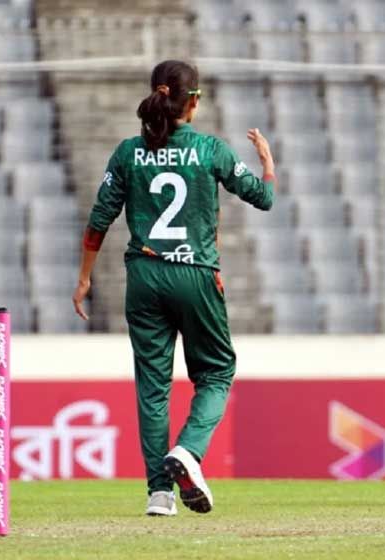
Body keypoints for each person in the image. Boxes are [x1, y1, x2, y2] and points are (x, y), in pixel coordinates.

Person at [72, 60, 276, 516]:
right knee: (217, 372)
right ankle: (188, 451)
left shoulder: (128, 152)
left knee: (153, 387)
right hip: (195, 274)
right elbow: (263, 199)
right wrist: (267, 165)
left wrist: (85, 277)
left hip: (144, 277)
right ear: (194, 101)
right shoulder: (209, 149)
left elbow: (99, 220)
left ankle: (159, 494)